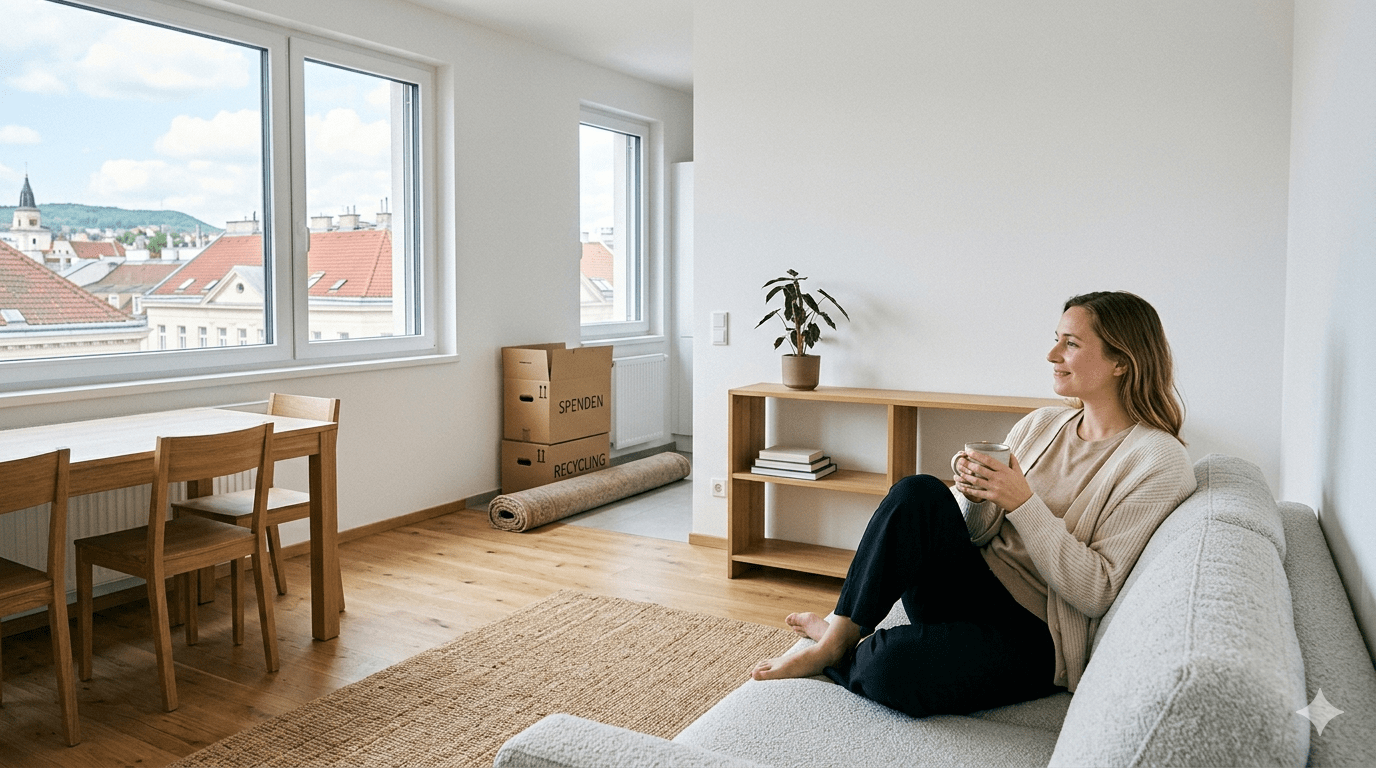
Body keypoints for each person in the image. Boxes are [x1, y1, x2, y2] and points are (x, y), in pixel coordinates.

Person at [751, 291, 1198, 718]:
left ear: (1121, 361)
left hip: (1036, 632)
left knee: (888, 666)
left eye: (1071, 343)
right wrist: (976, 492)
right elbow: (979, 533)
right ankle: (837, 638)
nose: (1052, 355)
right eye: (1056, 339)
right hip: (972, 587)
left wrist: (1021, 501)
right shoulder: (1044, 423)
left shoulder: (1157, 460)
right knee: (918, 491)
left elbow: (1096, 592)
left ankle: (846, 648)